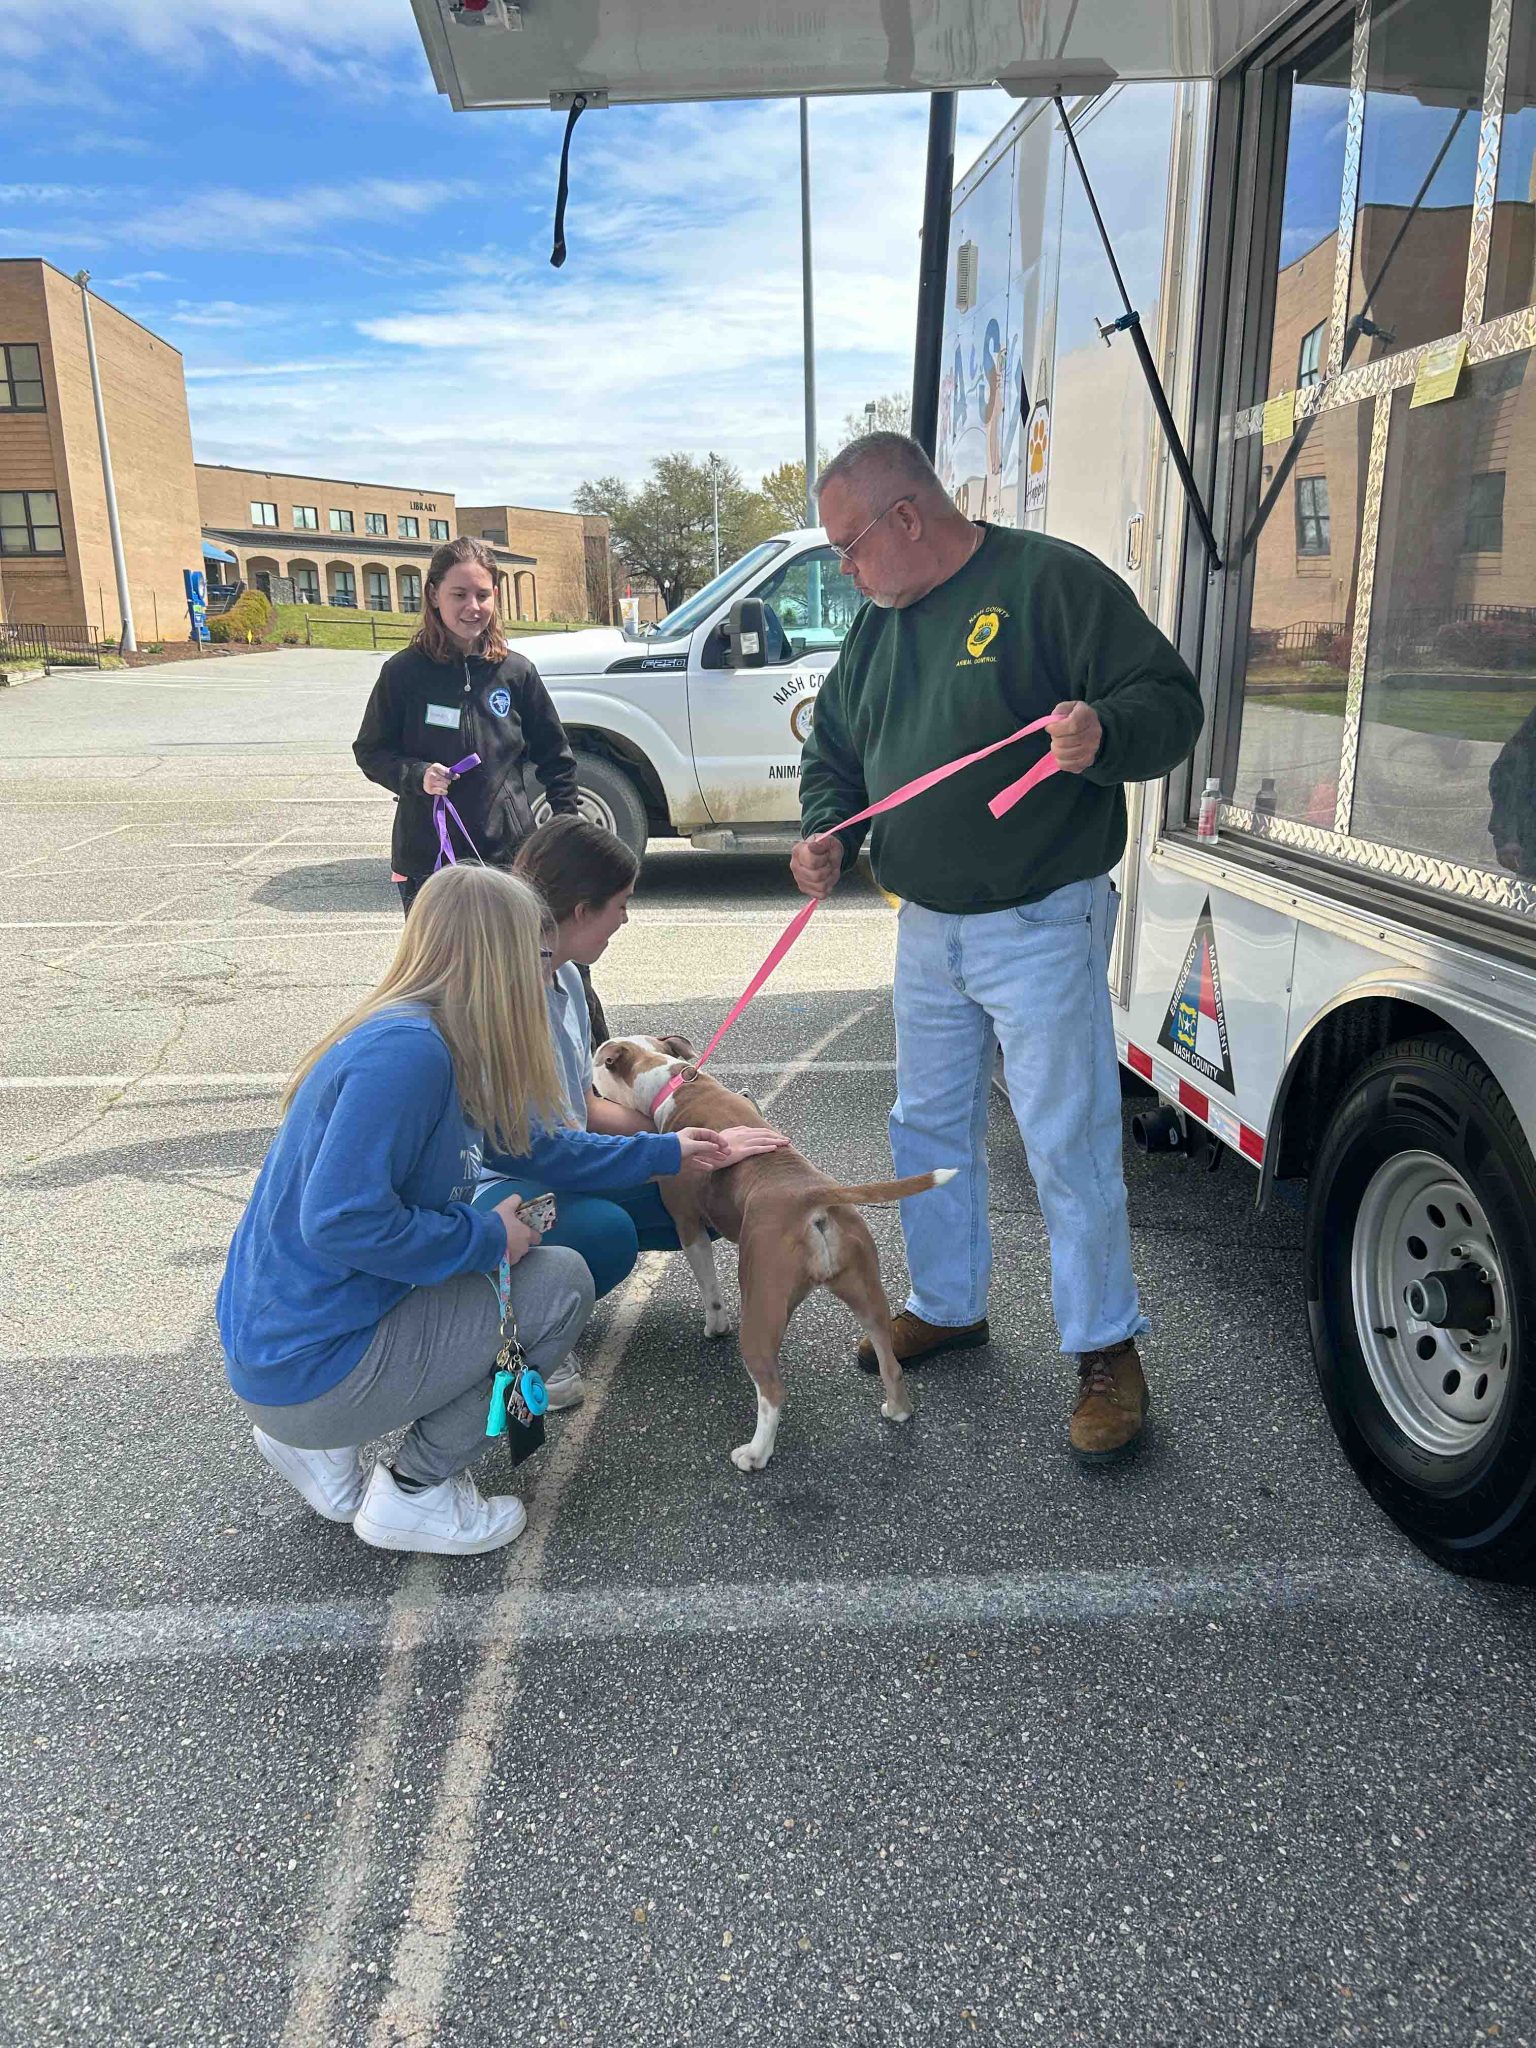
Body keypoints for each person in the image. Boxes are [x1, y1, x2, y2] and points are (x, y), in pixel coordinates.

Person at [792, 432, 1203, 1464]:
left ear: (906, 518)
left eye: (848, 546)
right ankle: (948, 1304)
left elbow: (1169, 703)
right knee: (925, 1124)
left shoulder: (1049, 584)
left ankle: (1105, 1348)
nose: (845, 570)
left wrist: (1103, 734)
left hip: (1040, 920)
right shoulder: (880, 627)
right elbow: (835, 747)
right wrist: (827, 829)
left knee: (1065, 1136)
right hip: (926, 926)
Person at [217, 863, 779, 1555]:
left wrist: (672, 1150)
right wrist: (485, 1236)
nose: (547, 975)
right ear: (497, 958)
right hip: (311, 1367)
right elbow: (342, 1221)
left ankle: (320, 1448)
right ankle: (415, 1493)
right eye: (539, 956)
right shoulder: (408, 1057)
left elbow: (535, 1145)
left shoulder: (432, 1036)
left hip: (290, 1350)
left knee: (534, 1265)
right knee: (558, 1284)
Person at [471, 814, 777, 1405]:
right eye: (622, 904)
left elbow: (581, 1107)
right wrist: (667, 1150)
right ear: (582, 910)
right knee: (609, 1232)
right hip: (499, 1186)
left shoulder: (565, 980)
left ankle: (542, 1288)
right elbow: (538, 1147)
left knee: (710, 1187)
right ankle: (512, 1328)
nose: (626, 919)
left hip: (558, 1161)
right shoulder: (506, 997)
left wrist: (689, 1131)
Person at [352, 536, 580, 921]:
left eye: (482, 595)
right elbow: (371, 751)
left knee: (507, 956)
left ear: (495, 597)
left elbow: (556, 759)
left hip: (507, 856)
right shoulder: (403, 673)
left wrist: (564, 828)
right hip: (429, 857)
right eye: (459, 594)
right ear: (434, 595)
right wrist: (417, 775)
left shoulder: (516, 672)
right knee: (440, 960)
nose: (472, 607)